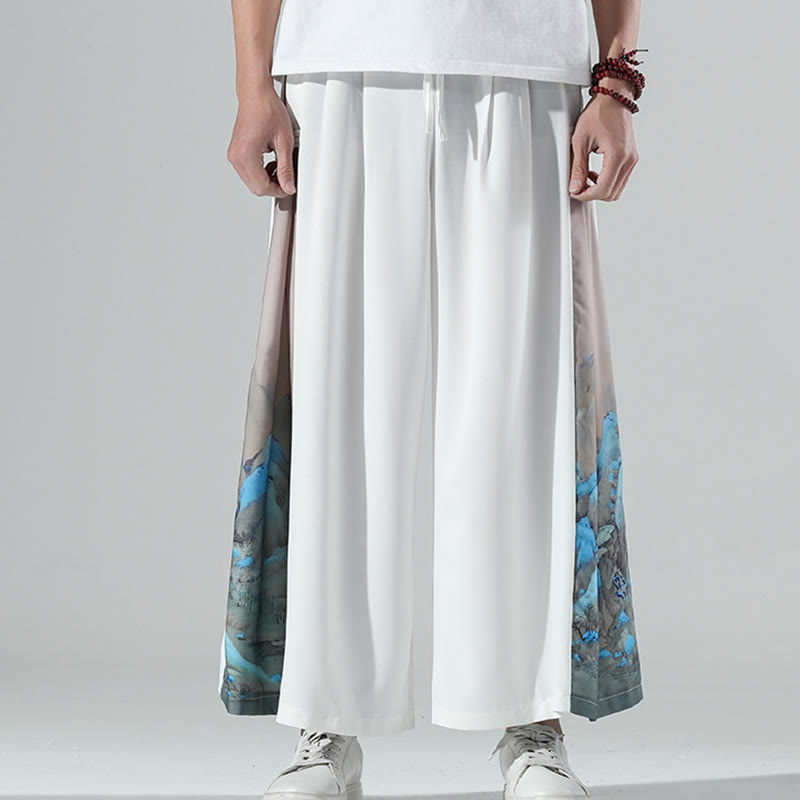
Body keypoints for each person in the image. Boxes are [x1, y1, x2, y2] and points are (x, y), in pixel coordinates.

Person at [223, 1, 644, 798]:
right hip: (341, 60)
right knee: (337, 410)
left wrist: (615, 85)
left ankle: (531, 720)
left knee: (519, 414)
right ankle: (326, 718)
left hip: (525, 61)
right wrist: (253, 86)